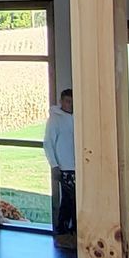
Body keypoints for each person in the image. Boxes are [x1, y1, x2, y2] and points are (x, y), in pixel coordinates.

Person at [44, 87, 76, 241]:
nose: (70, 105)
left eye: (72, 101)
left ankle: (71, 229)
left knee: (75, 200)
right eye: (67, 101)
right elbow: (48, 143)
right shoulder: (55, 119)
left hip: (78, 165)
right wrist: (54, 165)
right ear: (62, 101)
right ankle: (63, 229)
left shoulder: (77, 117)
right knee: (70, 198)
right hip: (65, 166)